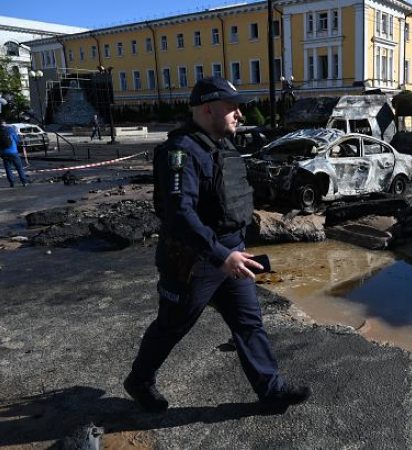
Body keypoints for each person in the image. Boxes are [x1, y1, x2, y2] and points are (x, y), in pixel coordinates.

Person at [124, 76, 311, 413]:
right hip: (195, 259)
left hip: (231, 254)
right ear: (208, 109)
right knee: (172, 326)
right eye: (232, 108)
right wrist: (221, 255)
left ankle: (271, 389)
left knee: (249, 322)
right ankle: (139, 380)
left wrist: (235, 249)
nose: (240, 115)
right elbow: (180, 214)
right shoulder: (179, 153)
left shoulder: (222, 145)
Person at [0, 118, 29, 187]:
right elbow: (17, 139)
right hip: (13, 151)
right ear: (4, 123)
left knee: (8, 168)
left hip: (3, 152)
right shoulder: (10, 129)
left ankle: (12, 183)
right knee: (19, 167)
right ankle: (24, 182)